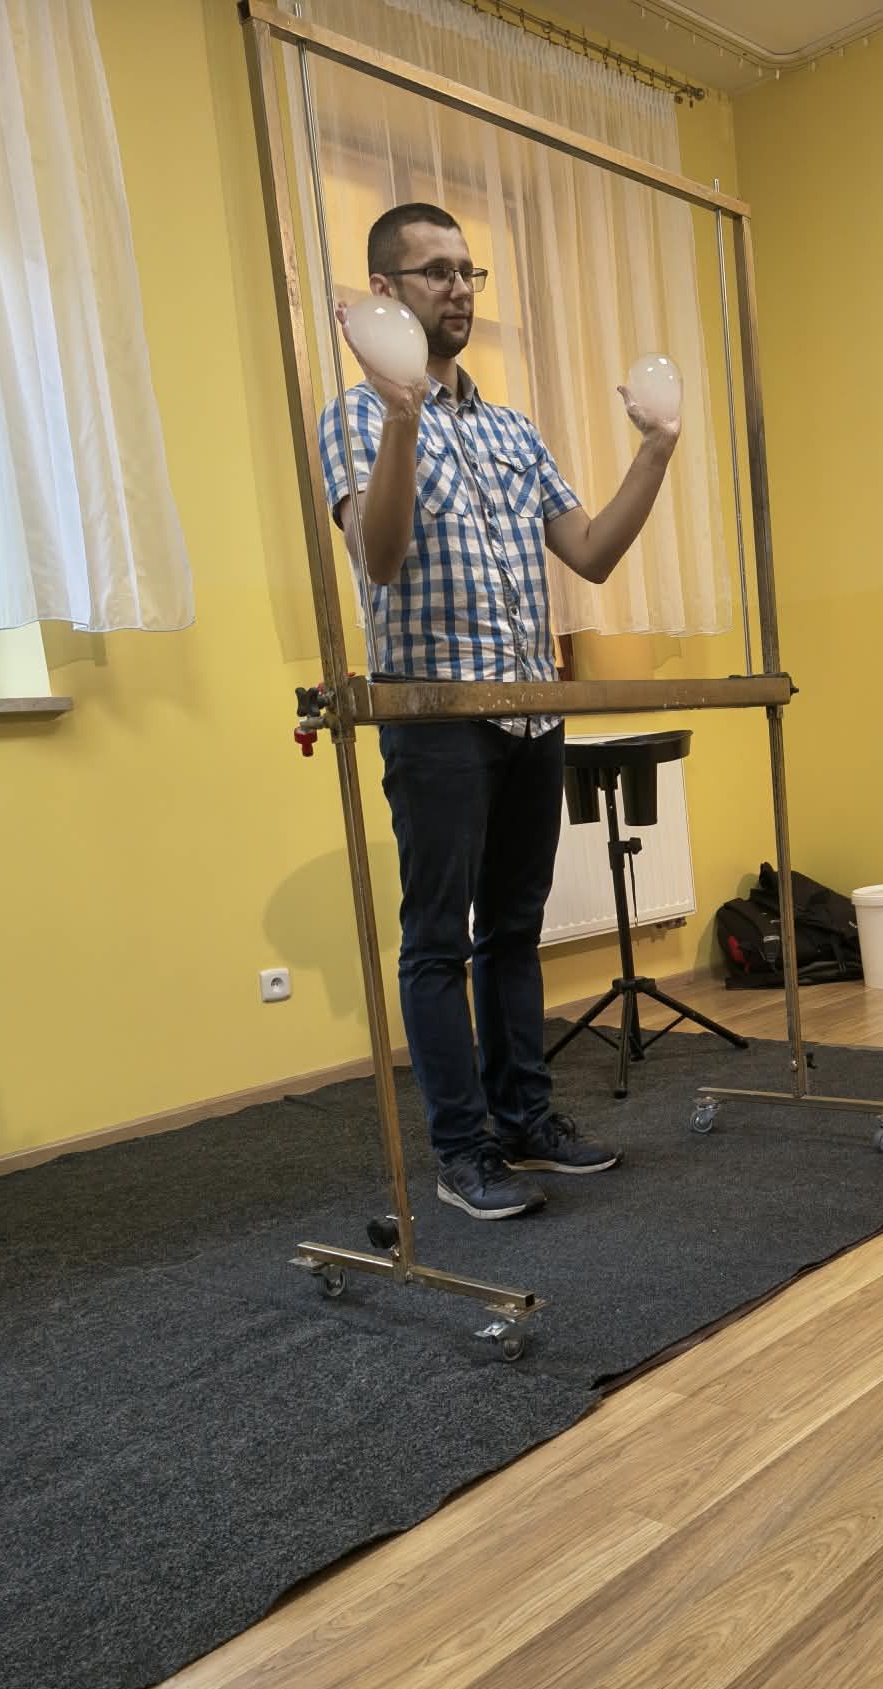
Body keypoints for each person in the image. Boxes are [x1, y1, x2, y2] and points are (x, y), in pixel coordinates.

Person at [319, 201, 679, 1220]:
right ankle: (462, 1150)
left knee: (514, 929)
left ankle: (525, 1119)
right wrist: (402, 414)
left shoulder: (513, 430)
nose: (460, 290)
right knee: (438, 939)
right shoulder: (353, 417)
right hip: (435, 715)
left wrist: (657, 450)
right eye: (435, 271)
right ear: (384, 292)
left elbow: (591, 553)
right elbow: (380, 558)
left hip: (529, 710)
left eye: (468, 271)